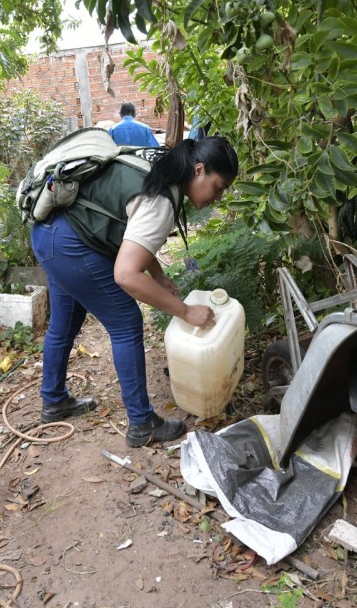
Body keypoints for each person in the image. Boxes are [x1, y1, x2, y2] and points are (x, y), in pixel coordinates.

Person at [30, 136, 239, 447]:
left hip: (50, 233)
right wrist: (186, 311)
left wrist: (157, 274)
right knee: (126, 322)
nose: (218, 198)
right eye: (218, 187)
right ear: (199, 170)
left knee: (66, 321)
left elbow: (131, 226)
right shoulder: (163, 199)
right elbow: (126, 275)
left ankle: (54, 400)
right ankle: (142, 424)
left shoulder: (162, 166)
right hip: (71, 244)